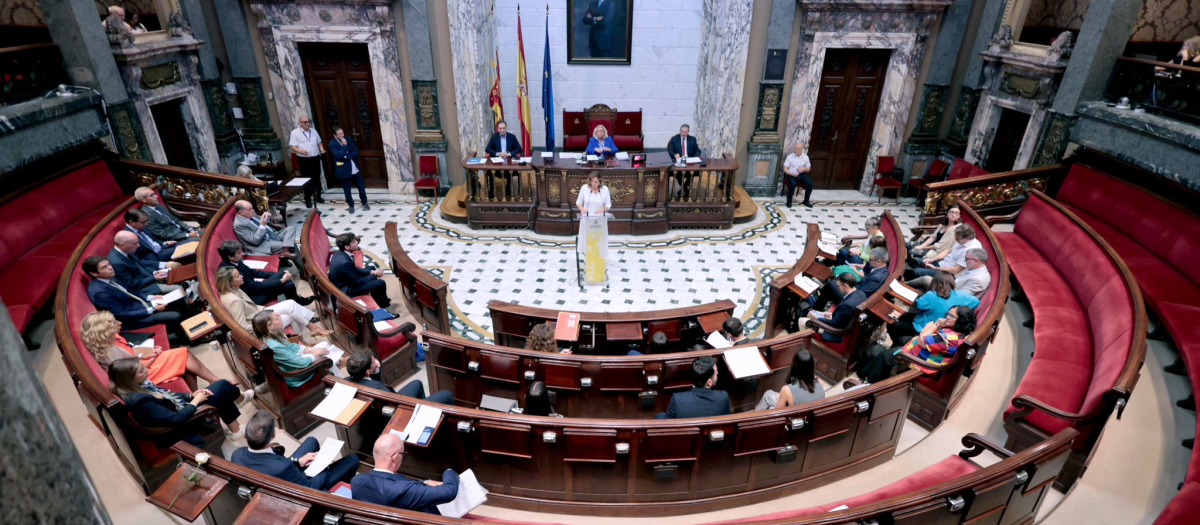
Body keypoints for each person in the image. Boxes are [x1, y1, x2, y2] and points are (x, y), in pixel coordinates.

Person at [81, 310, 231, 393]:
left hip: (137, 365)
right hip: (136, 377)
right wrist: (153, 356)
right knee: (183, 354)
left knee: (183, 357)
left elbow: (130, 351)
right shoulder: (108, 353)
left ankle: (204, 388)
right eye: (114, 323)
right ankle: (214, 382)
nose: (119, 323)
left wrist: (148, 351)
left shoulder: (109, 338)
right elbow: (133, 371)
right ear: (104, 330)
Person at [109, 357, 248, 442]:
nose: (147, 371)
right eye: (141, 371)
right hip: (184, 424)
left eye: (143, 367)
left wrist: (191, 395)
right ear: (129, 378)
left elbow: (166, 395)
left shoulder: (138, 386)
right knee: (222, 386)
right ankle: (238, 402)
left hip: (180, 408)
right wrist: (196, 401)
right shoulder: (141, 402)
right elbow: (176, 419)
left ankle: (236, 424)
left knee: (219, 388)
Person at [232, 411, 359, 490]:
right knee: (352, 460)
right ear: (274, 435)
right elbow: (310, 487)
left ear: (245, 435)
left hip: (282, 474)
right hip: (304, 487)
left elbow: (276, 464)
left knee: (311, 441)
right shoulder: (283, 467)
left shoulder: (237, 454)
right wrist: (322, 464)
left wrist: (298, 461)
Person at [352, 433, 461, 514]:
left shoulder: (357, 481)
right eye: (403, 454)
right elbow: (449, 491)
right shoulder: (402, 490)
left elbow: (394, 484)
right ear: (395, 457)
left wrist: (425, 482)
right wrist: (449, 471)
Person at [216, 267, 329, 338]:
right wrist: (266, 325)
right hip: (259, 324)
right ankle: (300, 339)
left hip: (258, 313)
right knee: (290, 316)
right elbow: (242, 326)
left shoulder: (234, 288)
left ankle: (312, 329)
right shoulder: (234, 300)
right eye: (238, 276)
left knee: (290, 304)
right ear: (229, 282)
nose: (242, 277)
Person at [84, 256, 181, 329]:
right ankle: (187, 340)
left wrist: (151, 297)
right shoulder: (100, 293)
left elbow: (130, 292)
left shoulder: (109, 277)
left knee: (176, 300)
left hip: (139, 305)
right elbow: (121, 315)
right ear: (94, 273)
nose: (110, 268)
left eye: (109, 264)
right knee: (176, 316)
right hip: (133, 319)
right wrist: (153, 309)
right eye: (104, 267)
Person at [253, 311, 343, 388]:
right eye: (276, 319)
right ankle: (342, 381)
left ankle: (338, 366)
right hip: (297, 374)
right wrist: (316, 353)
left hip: (295, 362)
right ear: (270, 326)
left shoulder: (273, 335)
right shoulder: (274, 346)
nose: (280, 318)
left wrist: (312, 349)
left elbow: (292, 347)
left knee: (324, 345)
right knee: (324, 357)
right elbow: (301, 363)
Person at [887, 272, 979, 344]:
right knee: (901, 315)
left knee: (891, 323)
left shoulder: (931, 295)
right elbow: (976, 302)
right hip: (941, 326)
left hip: (923, 326)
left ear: (934, 282)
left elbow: (918, 306)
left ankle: (897, 343)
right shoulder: (961, 295)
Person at [217, 240, 314, 306]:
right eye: (239, 253)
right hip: (253, 297)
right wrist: (281, 280)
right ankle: (296, 302)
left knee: (283, 276)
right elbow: (256, 287)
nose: (242, 254)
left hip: (254, 289)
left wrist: (281, 274)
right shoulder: (230, 271)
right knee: (287, 285)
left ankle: (294, 302)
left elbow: (255, 273)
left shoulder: (235, 261)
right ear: (230, 257)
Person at [894, 306, 977, 374]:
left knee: (884, 357)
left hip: (922, 363)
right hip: (926, 351)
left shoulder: (948, 339)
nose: (947, 317)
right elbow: (923, 334)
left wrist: (936, 324)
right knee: (901, 340)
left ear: (961, 321)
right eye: (948, 314)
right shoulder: (962, 331)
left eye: (952, 316)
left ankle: (894, 370)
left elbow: (921, 340)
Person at [344, 352, 453, 404]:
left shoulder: (345, 381)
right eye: (373, 362)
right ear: (367, 372)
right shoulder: (381, 390)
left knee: (417, 383)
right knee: (447, 394)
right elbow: (394, 403)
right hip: (399, 408)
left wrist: (375, 370)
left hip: (391, 403)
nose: (376, 362)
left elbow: (370, 382)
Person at [108, 231, 183, 297]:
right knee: (178, 289)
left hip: (147, 277)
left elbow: (141, 265)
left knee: (177, 273)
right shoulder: (116, 263)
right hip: (142, 288)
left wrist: (154, 272)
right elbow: (132, 284)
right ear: (122, 245)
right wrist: (153, 278)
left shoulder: (127, 250)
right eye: (134, 243)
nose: (138, 245)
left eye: (137, 242)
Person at [329, 233, 391, 309]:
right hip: (347, 289)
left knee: (371, 267)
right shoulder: (345, 262)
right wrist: (375, 275)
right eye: (353, 242)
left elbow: (353, 269)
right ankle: (384, 307)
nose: (357, 242)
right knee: (380, 283)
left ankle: (378, 299)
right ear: (347, 247)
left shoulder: (339, 252)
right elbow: (358, 281)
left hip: (347, 280)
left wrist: (371, 272)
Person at [656, 356, 731, 419]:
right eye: (716, 373)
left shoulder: (678, 399)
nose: (717, 373)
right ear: (709, 382)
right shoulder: (723, 397)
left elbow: (668, 424)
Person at [906, 225, 981, 284]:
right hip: (943, 263)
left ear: (968, 238)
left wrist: (935, 268)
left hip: (949, 274)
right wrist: (932, 259)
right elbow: (947, 251)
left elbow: (955, 270)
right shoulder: (962, 240)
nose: (956, 240)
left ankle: (905, 285)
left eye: (958, 239)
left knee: (917, 272)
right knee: (915, 261)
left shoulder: (970, 251)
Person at [808, 273, 866, 343]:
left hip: (837, 333)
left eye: (838, 286)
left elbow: (834, 324)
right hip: (844, 322)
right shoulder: (861, 294)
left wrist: (817, 319)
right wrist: (828, 314)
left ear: (846, 286)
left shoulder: (847, 305)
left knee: (803, 320)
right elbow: (844, 315)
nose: (838, 288)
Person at [757, 350, 824, 410]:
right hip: (809, 416)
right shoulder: (820, 382)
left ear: (795, 365)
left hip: (794, 419)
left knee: (768, 395)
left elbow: (777, 412)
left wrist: (782, 396)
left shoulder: (786, 390)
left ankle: (754, 417)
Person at [232, 200, 303, 256]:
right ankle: (302, 270)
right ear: (241, 212)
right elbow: (255, 241)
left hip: (272, 235)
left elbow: (262, 221)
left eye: (252, 208)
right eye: (250, 209)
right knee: (291, 244)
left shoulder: (249, 214)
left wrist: (267, 217)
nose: (253, 210)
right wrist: (262, 226)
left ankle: (285, 251)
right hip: (264, 244)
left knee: (291, 228)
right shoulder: (239, 225)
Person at [125, 208, 189, 265]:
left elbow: (154, 239)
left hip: (162, 248)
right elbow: (139, 261)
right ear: (131, 222)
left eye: (146, 221)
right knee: (186, 249)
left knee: (190, 244)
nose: (146, 224)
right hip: (155, 258)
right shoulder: (127, 237)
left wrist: (165, 243)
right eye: (144, 222)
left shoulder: (141, 226)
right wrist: (162, 264)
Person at [135, 187, 201, 242]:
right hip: (176, 239)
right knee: (200, 240)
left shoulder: (159, 206)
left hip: (184, 231)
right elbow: (163, 235)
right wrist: (188, 235)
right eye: (152, 195)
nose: (156, 196)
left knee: (206, 233)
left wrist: (190, 229)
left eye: (154, 194)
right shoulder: (146, 215)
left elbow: (176, 220)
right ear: (143, 200)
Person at [329, 126, 370, 214]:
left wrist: (346, 156)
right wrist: (344, 146)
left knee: (361, 187)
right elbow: (338, 155)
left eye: (342, 133)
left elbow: (355, 151)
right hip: (343, 170)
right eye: (340, 134)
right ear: (334, 135)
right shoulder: (332, 144)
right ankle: (351, 205)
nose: (342, 135)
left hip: (354, 167)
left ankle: (364, 202)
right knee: (347, 190)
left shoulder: (348, 139)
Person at [288, 115, 326, 208]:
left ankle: (318, 196)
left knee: (317, 177)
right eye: (305, 122)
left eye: (309, 121)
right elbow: (293, 146)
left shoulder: (313, 131)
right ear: (300, 123)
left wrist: (321, 149)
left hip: (315, 157)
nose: (308, 124)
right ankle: (308, 199)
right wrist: (300, 151)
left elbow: (319, 142)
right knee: (307, 179)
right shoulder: (295, 133)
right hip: (304, 159)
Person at [667, 124, 703, 197]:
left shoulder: (692, 139)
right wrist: (674, 155)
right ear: (680, 131)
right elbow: (670, 150)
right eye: (682, 131)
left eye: (685, 132)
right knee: (678, 173)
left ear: (688, 132)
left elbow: (697, 150)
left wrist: (694, 158)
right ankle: (685, 189)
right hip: (679, 161)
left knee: (692, 172)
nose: (683, 133)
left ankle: (683, 189)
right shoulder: (674, 139)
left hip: (689, 161)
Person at [781, 143, 814, 208]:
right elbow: (785, 169)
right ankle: (789, 201)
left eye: (797, 149)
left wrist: (804, 168)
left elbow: (808, 169)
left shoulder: (805, 157)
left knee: (810, 183)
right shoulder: (790, 157)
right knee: (792, 184)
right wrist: (791, 173)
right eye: (795, 148)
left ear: (801, 150)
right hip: (792, 175)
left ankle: (806, 201)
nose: (795, 150)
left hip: (802, 175)